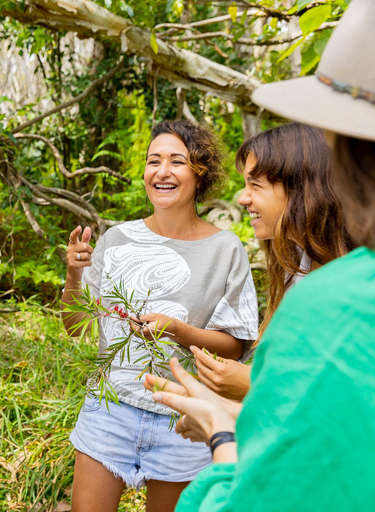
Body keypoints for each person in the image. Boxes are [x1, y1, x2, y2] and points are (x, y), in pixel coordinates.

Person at [146, 1, 375, 510]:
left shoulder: (331, 303)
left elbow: (259, 494)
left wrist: (223, 431)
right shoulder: (303, 278)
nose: (244, 199)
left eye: (257, 184)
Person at [62, 120, 259, 512]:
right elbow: (75, 324)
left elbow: (236, 346)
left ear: (200, 172)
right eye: (154, 161)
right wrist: (73, 273)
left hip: (182, 416)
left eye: (177, 161)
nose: (162, 171)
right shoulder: (116, 239)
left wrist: (179, 331)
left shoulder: (225, 248)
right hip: (109, 408)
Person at [193, 123, 355, 401]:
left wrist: (254, 385)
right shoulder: (298, 267)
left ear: (302, 190)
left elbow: (348, 396)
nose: (243, 198)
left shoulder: (355, 282)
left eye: (255, 185)